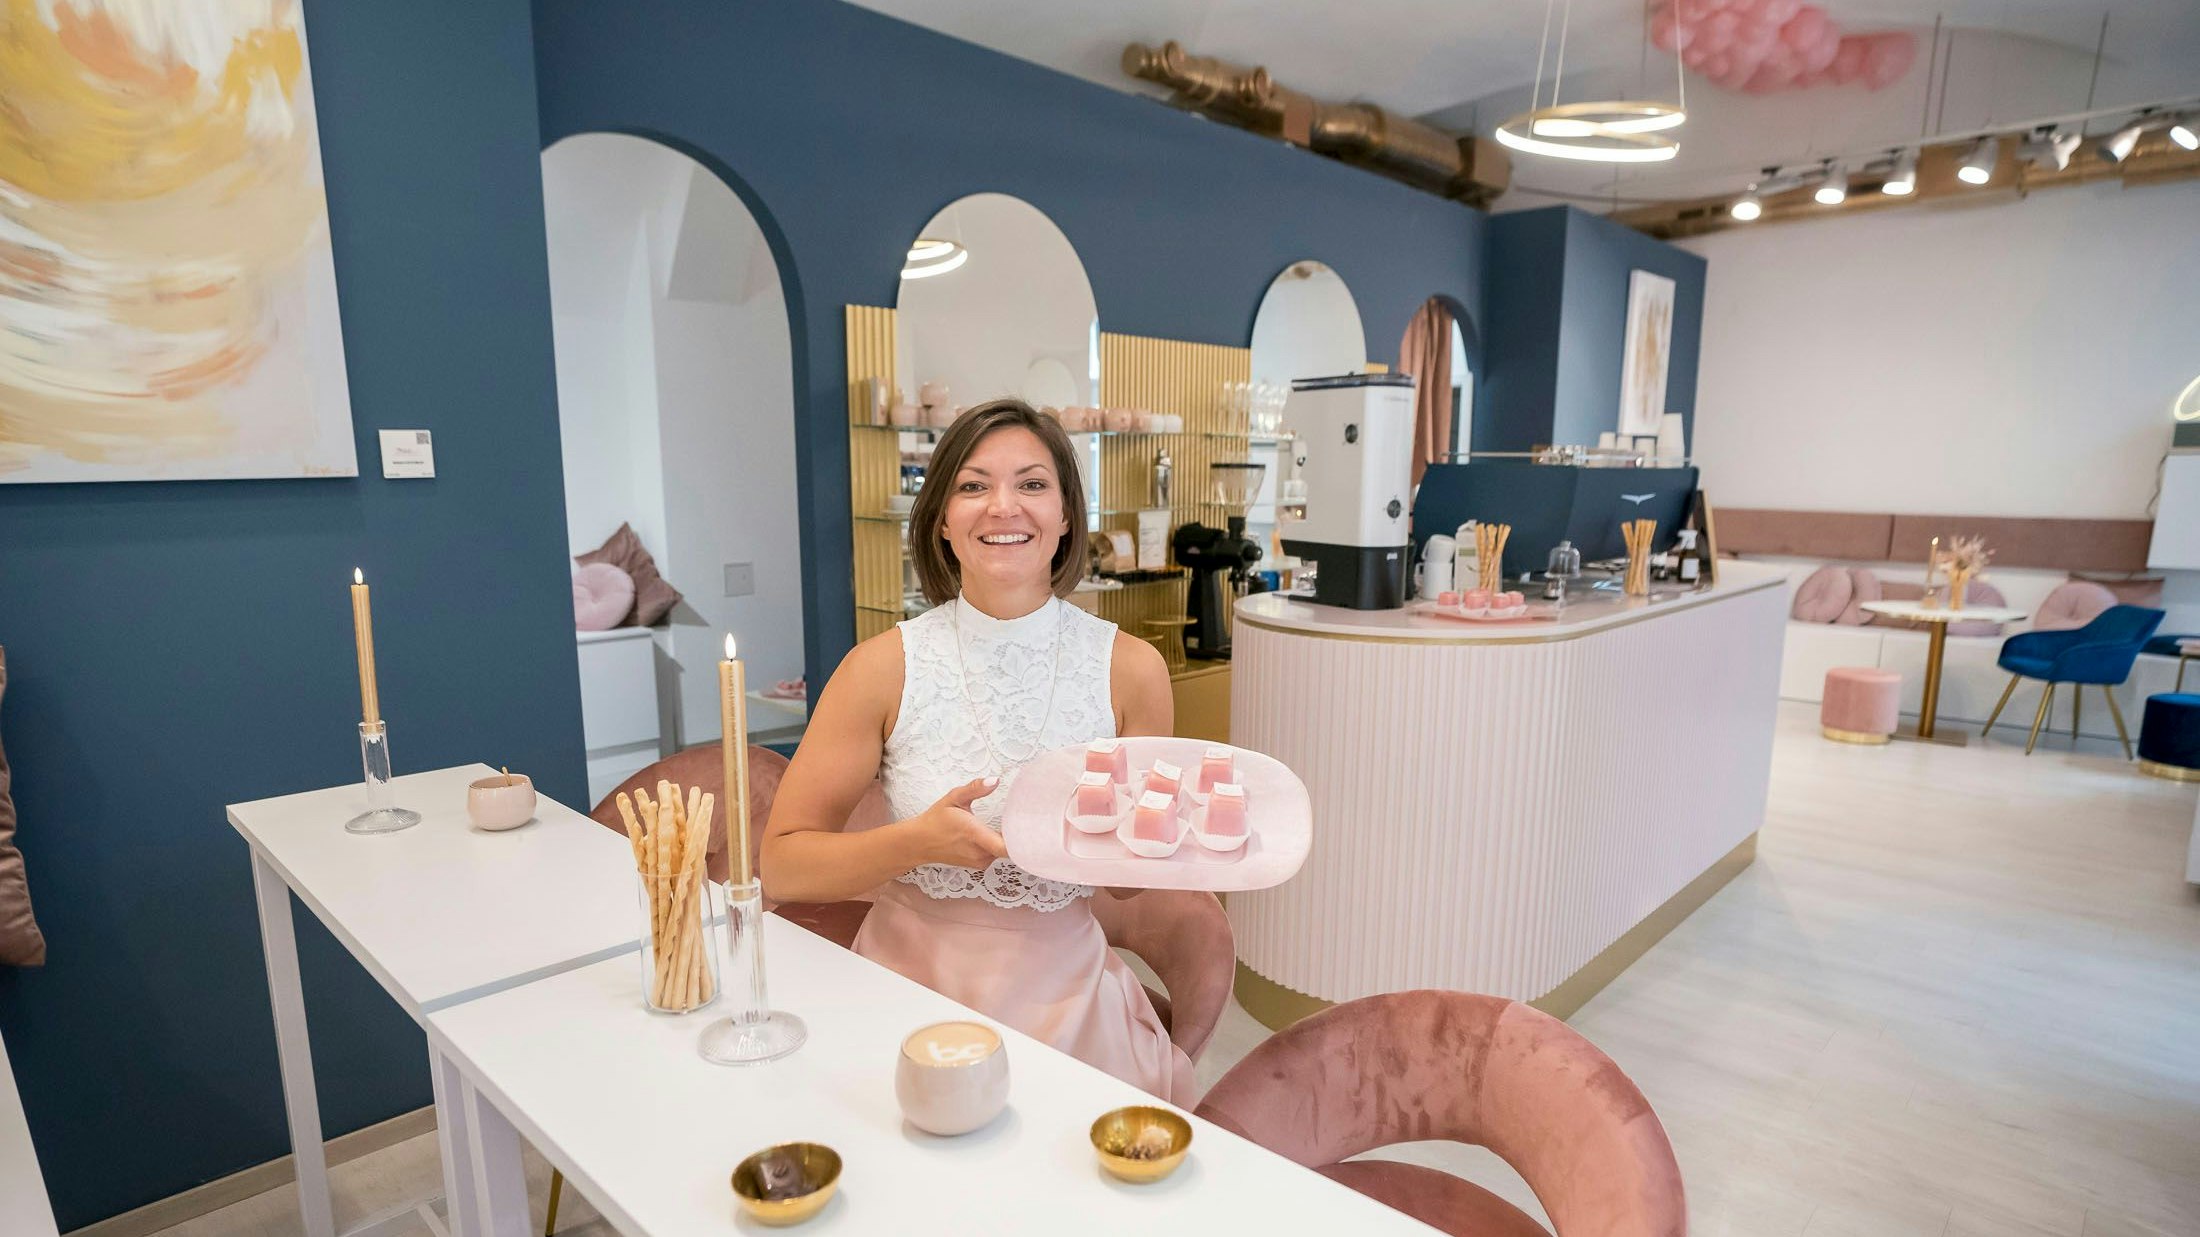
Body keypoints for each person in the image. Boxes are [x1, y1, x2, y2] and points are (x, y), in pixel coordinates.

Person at [762, 399, 1195, 1103]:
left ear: (1064, 516)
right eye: (972, 485)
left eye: (1031, 484)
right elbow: (782, 862)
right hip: (903, 996)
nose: (1003, 506)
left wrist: (1147, 840)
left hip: (1072, 1004)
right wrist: (915, 843)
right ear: (940, 519)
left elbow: (1127, 886)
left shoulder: (1133, 670)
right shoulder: (880, 667)